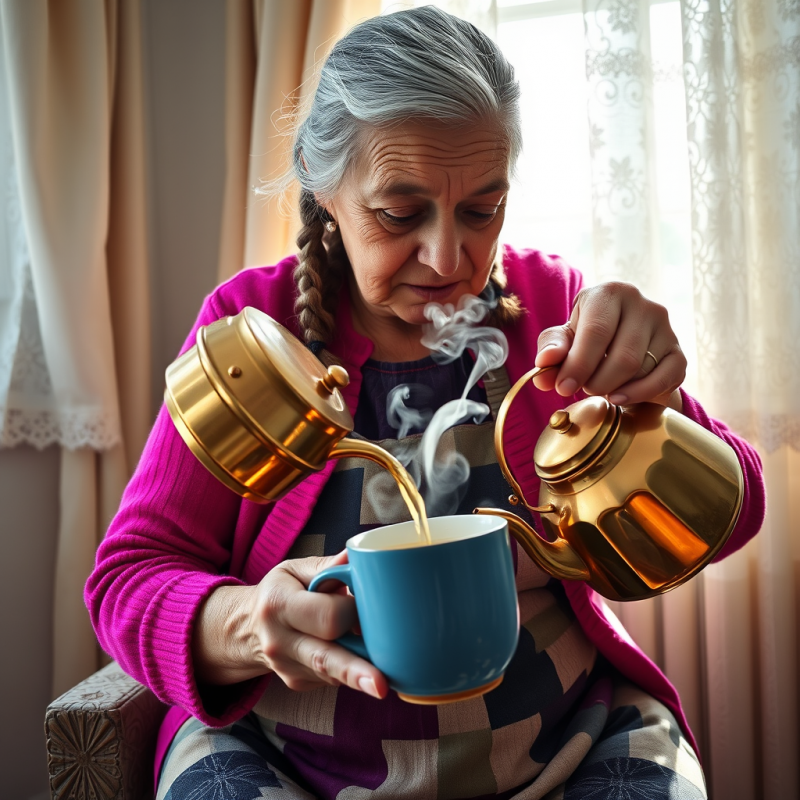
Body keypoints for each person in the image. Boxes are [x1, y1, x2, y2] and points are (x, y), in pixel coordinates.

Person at [85, 7, 765, 799]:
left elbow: (733, 518)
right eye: (400, 213)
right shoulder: (252, 335)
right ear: (323, 184)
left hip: (568, 752)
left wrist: (666, 399)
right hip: (285, 763)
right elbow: (127, 580)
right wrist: (243, 621)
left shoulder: (554, 312)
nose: (448, 259)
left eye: (482, 210)